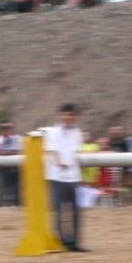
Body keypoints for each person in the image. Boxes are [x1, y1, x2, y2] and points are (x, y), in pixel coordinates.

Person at [44, 103, 88, 252]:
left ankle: (74, 242)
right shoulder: (53, 132)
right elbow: (51, 150)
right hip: (57, 175)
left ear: (75, 117)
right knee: (59, 210)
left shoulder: (77, 132)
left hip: (73, 175)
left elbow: (78, 151)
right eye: (65, 114)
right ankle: (61, 241)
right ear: (60, 115)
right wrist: (59, 163)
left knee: (75, 210)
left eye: (71, 115)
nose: (68, 117)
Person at [0, 122, 21, 204]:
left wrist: (3, 153)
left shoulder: (17, 138)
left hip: (15, 168)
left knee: (17, 185)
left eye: (8, 128)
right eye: (3, 128)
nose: (6, 130)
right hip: (1, 168)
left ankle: (17, 204)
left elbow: (16, 151)